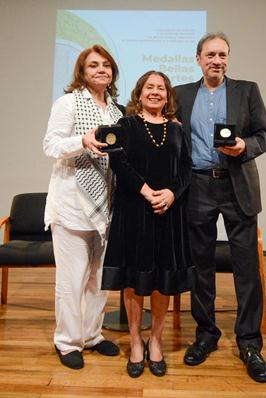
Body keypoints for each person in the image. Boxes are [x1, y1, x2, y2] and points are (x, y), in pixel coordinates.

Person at [174, 33, 266, 383]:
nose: (217, 60)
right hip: (197, 186)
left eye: (223, 55)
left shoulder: (247, 90)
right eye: (210, 55)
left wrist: (245, 145)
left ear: (228, 59)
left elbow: (265, 134)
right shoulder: (181, 94)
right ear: (198, 59)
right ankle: (206, 335)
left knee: (247, 268)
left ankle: (249, 343)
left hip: (237, 185)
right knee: (200, 267)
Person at [102, 71, 195, 378]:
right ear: (139, 93)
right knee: (133, 279)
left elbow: (186, 170)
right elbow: (118, 160)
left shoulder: (178, 130)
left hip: (168, 213)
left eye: (161, 88)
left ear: (168, 96)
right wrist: (145, 190)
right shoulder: (126, 125)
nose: (155, 92)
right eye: (149, 87)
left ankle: (155, 340)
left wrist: (170, 194)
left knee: (162, 280)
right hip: (134, 211)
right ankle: (135, 340)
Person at [43, 45, 124, 369]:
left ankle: (92, 336)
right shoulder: (67, 102)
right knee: (71, 280)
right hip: (71, 205)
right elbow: (50, 145)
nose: (101, 69)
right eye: (93, 65)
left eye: (106, 65)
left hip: (107, 207)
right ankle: (67, 341)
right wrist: (82, 141)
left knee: (98, 278)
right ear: (82, 71)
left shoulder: (117, 112)